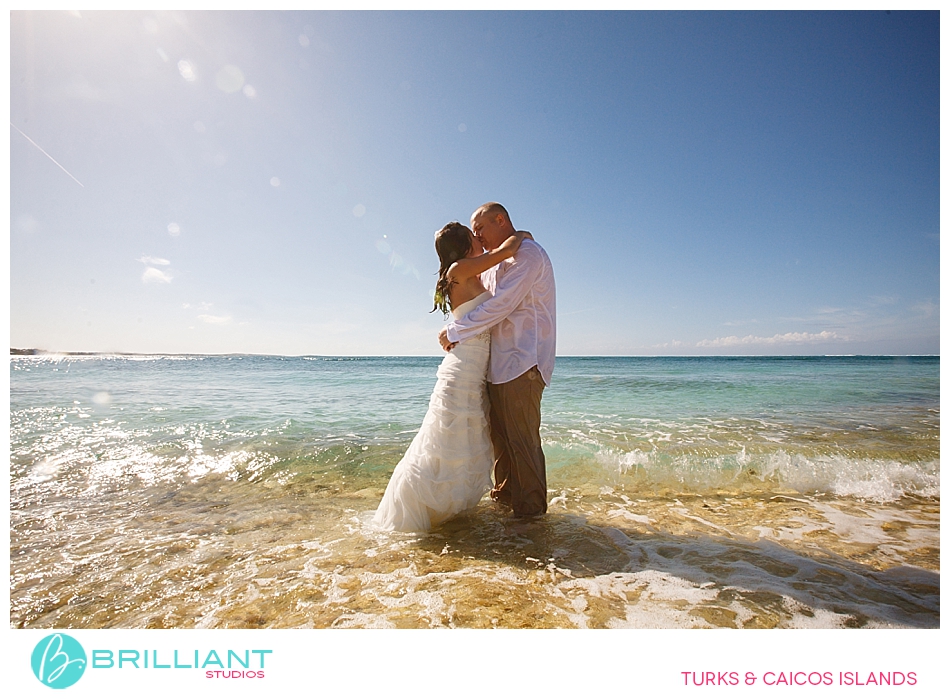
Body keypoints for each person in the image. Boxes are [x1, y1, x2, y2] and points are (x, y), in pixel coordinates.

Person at [372, 222, 528, 532]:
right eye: (473, 235)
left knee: (459, 442)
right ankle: (417, 510)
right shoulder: (460, 269)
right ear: (464, 245)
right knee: (443, 442)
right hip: (463, 370)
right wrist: (522, 235)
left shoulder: (467, 272)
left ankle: (448, 511)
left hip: (473, 370)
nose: (479, 238)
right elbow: (507, 250)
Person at [439, 203, 556, 518]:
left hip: (523, 362)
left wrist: (455, 331)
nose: (476, 236)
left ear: (500, 220)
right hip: (496, 366)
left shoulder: (528, 255)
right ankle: (505, 510)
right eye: (473, 232)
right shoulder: (493, 262)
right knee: (501, 444)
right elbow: (475, 300)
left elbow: (501, 305)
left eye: (480, 228)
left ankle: (531, 518)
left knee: (522, 443)